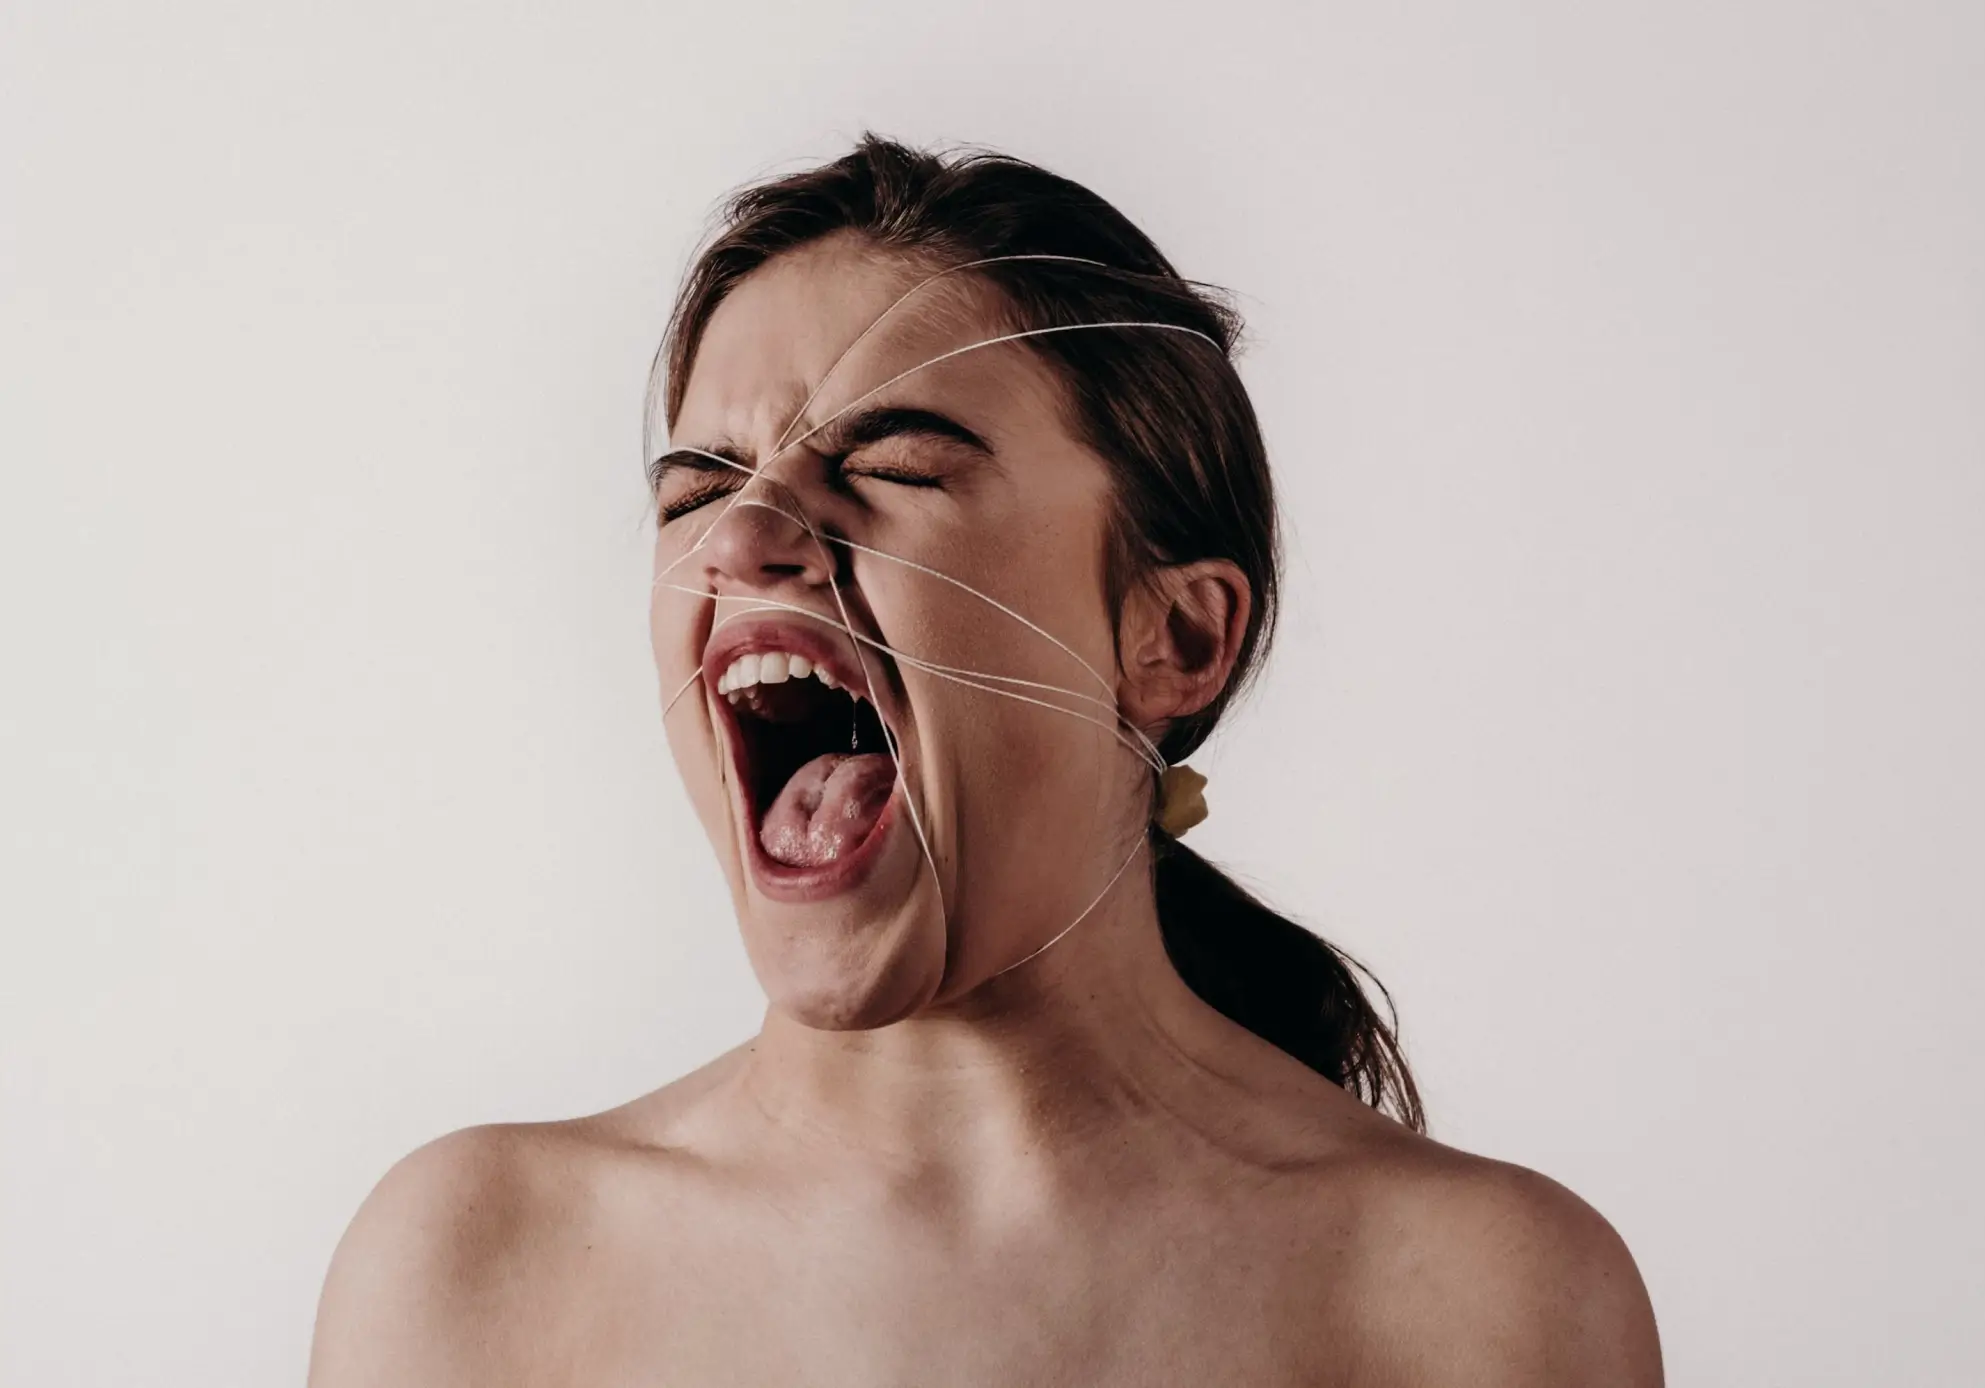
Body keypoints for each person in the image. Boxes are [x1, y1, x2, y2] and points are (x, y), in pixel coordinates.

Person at [309, 135, 1664, 1386]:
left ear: (1176, 636)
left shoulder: (1483, 1299)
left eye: (894, 464)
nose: (742, 539)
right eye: (695, 492)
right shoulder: (472, 1272)